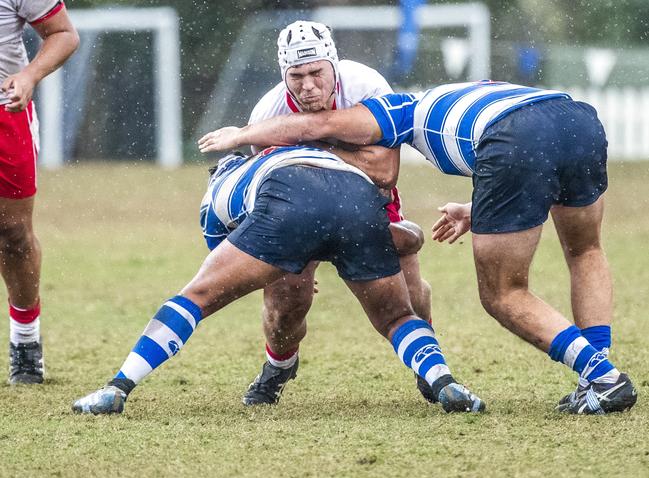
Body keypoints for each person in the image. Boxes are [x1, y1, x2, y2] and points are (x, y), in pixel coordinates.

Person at [198, 81, 638, 415]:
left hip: (516, 139)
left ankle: (603, 377)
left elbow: (316, 124)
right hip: (575, 118)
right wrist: (475, 207)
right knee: (585, 251)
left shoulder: (394, 108)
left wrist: (243, 136)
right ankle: (595, 372)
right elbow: (532, 153)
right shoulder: (473, 95)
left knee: (503, 294)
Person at [72, 146, 485, 415]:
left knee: (195, 298)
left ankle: (118, 387)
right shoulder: (315, 154)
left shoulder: (219, 189)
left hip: (288, 197)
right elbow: (407, 236)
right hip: (357, 197)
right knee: (396, 317)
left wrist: (292, 257)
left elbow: (225, 267)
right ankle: (446, 383)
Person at [240, 21, 434, 406]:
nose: (308, 86)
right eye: (296, 76)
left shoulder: (369, 88)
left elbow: (383, 171)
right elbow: (264, 191)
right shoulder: (268, 113)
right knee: (284, 306)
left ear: (334, 64)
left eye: (316, 73)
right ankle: (279, 365)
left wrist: (312, 147)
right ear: (284, 76)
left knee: (409, 294)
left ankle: (428, 365)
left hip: (370, 198)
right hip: (300, 208)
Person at [0, 1, 79, 384]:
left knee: (13, 234)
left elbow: (64, 34)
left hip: (4, 111)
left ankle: (25, 339)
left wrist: (30, 75)